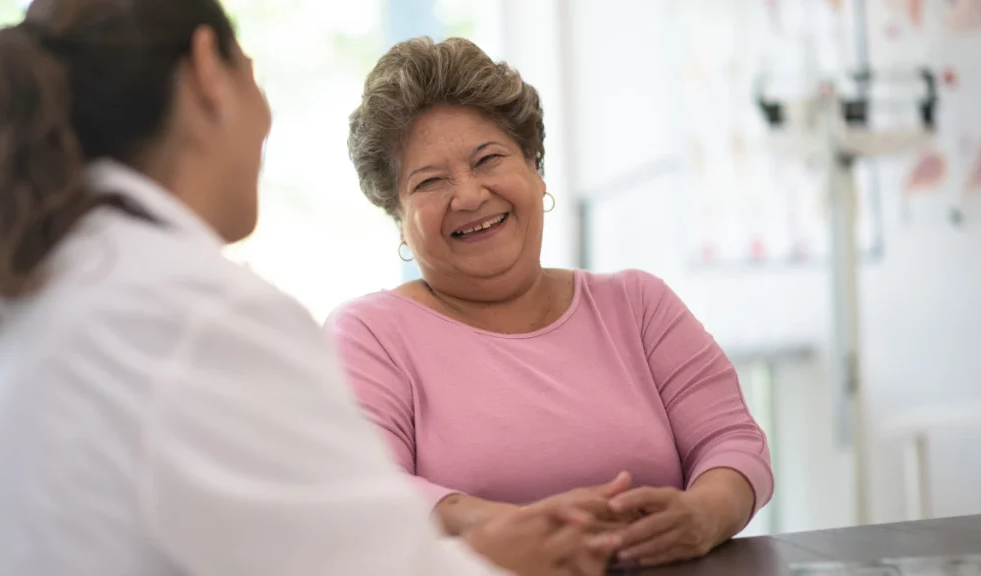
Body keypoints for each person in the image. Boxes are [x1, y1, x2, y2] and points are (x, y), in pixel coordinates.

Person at [0, 2, 621, 575]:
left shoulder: (21, 289)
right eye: (252, 72)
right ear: (206, 72)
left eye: (488, 159)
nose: (266, 124)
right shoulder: (198, 314)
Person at [327, 36, 775, 568]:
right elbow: (367, 488)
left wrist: (704, 513)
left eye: (487, 159)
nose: (468, 195)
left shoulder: (638, 304)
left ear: (535, 170)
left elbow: (732, 440)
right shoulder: (368, 333)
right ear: (398, 217)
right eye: (430, 182)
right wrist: (503, 527)